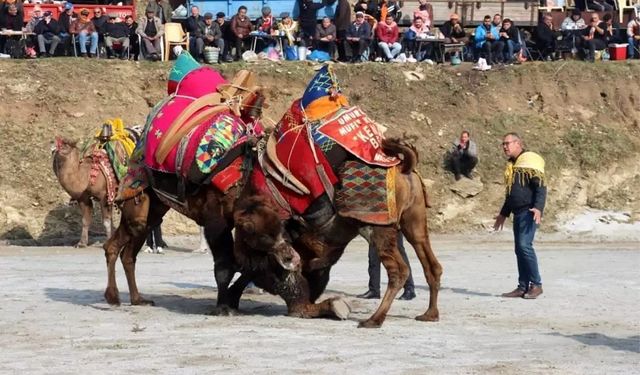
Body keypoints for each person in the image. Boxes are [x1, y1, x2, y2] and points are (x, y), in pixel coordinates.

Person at [493, 133, 547, 300]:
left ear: (518, 143)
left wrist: (538, 208)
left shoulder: (530, 161)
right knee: (519, 250)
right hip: (517, 212)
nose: (504, 147)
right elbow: (512, 194)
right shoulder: (512, 165)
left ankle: (536, 284)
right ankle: (523, 286)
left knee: (524, 246)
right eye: (503, 144)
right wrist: (503, 214)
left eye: (507, 143)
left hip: (529, 212)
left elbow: (541, 187)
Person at [357, 234, 416, 301]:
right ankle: (374, 290)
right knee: (373, 254)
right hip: (376, 227)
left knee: (399, 252)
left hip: (393, 226)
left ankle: (409, 288)